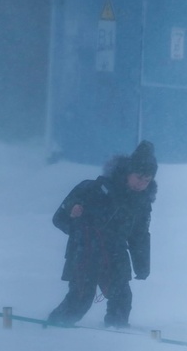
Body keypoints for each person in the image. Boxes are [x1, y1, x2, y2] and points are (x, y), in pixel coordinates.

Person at [47, 140, 158, 328]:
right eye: (138, 177)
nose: (142, 184)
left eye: (147, 180)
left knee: (122, 297)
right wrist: (73, 212)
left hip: (116, 254)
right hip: (86, 251)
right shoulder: (95, 189)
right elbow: (59, 218)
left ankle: (116, 332)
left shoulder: (142, 204)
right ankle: (54, 328)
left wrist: (142, 266)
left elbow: (139, 236)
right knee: (81, 299)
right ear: (127, 173)